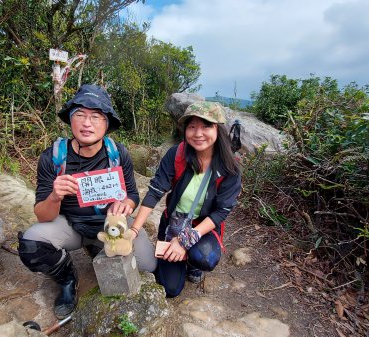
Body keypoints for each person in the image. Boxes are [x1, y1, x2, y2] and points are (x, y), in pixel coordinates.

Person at [17, 84, 156, 318]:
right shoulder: (53, 157)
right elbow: (43, 216)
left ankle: (96, 245)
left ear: (107, 124)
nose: (87, 123)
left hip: (110, 226)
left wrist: (127, 205)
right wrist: (54, 195)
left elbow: (132, 194)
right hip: (71, 226)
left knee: (148, 267)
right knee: (32, 244)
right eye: (79, 115)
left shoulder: (118, 153)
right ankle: (67, 280)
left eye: (96, 117)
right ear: (70, 120)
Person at [129, 101, 241, 297]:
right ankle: (178, 256)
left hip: (203, 228)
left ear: (218, 129)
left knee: (204, 258)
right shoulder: (177, 154)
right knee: (170, 289)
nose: (198, 133)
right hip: (174, 222)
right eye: (192, 126)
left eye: (206, 126)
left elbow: (221, 212)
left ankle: (192, 261)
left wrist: (184, 242)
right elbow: (155, 191)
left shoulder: (229, 167)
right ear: (185, 130)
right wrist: (134, 229)